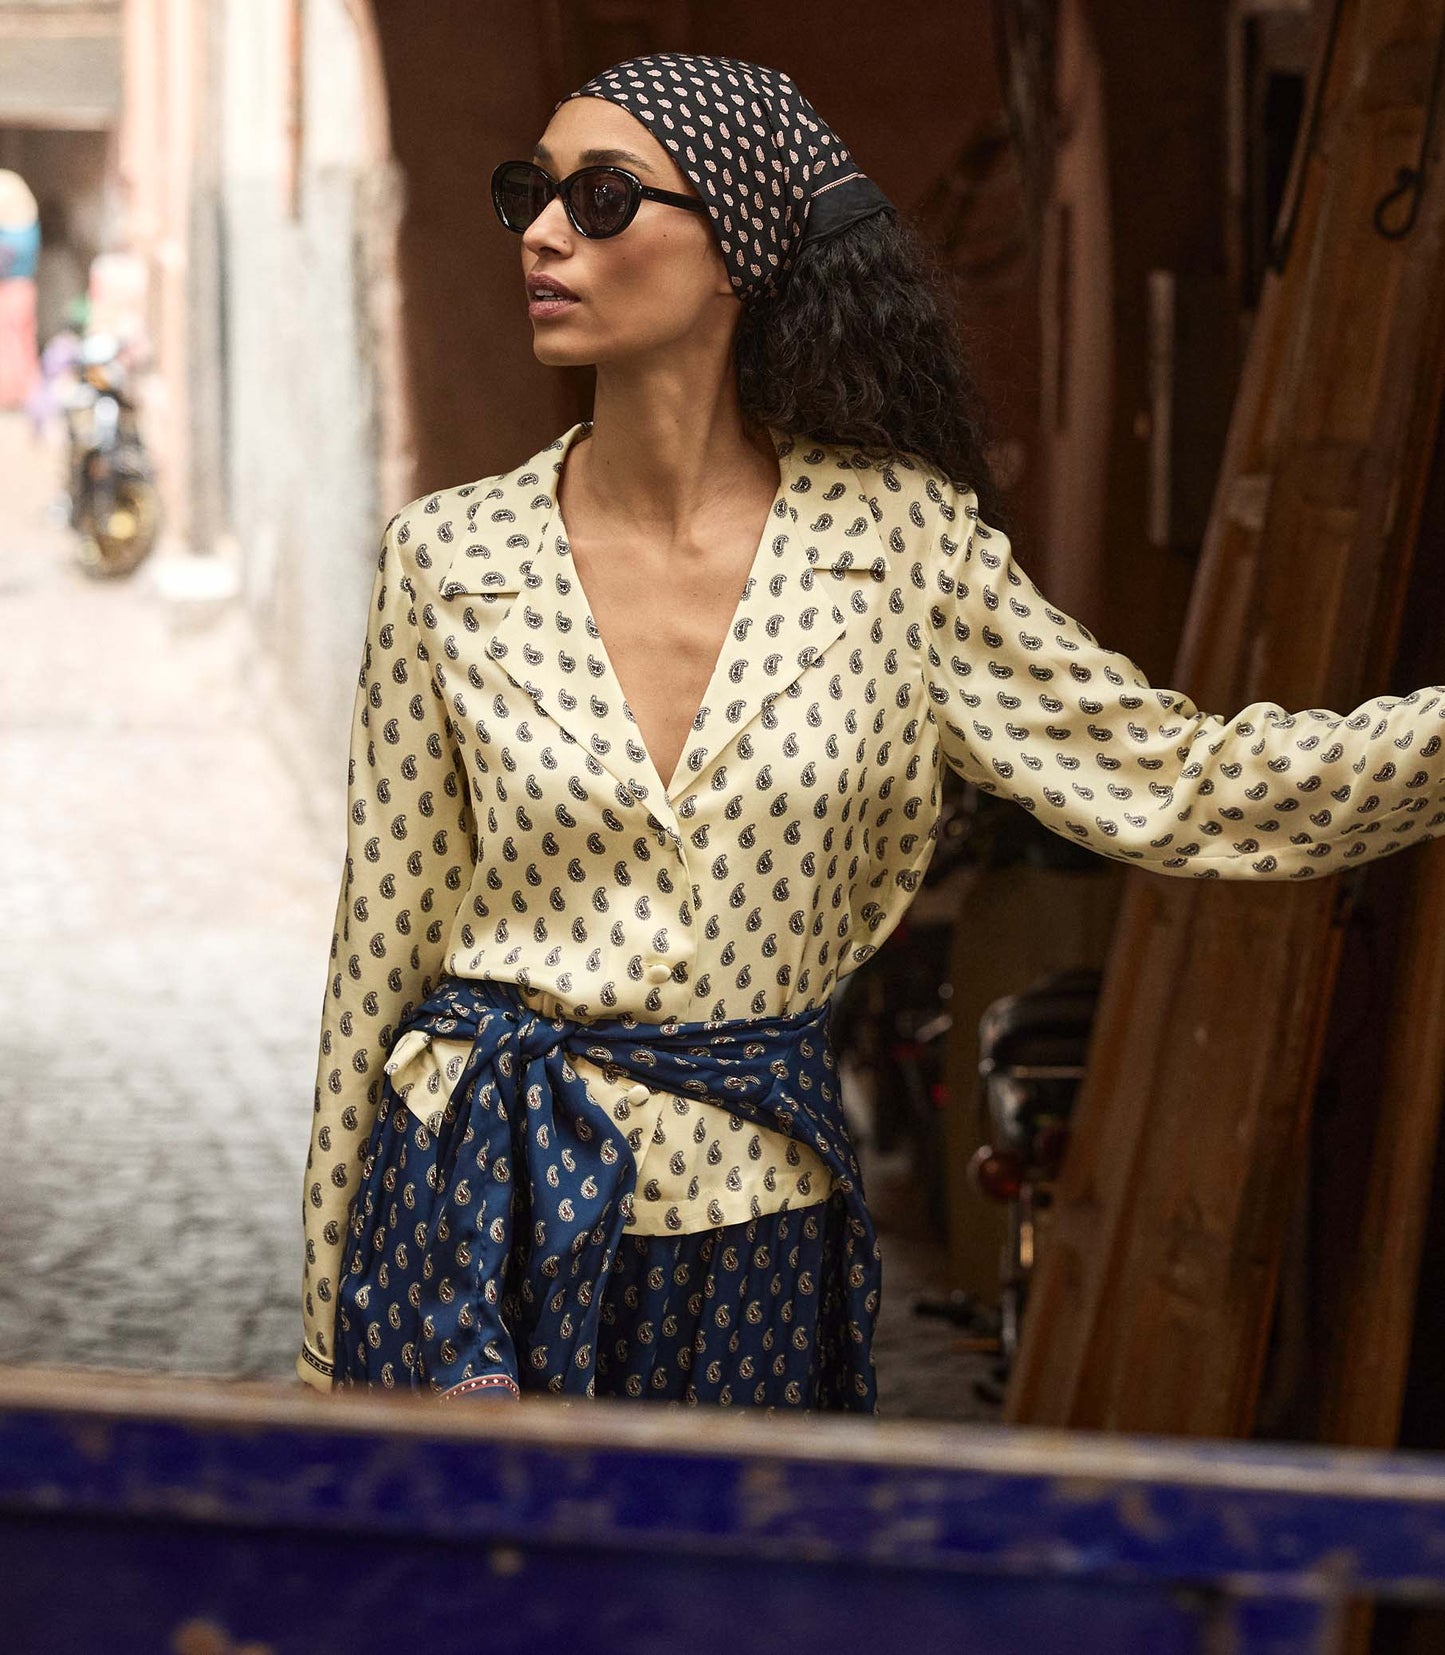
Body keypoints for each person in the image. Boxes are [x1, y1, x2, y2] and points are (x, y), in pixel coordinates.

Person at [297, 52, 1445, 1411]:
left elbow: (1178, 784)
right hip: (466, 1222)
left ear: (740, 243)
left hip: (749, 1234)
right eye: (526, 193)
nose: (543, 233)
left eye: (601, 199)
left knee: (728, 1616)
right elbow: (379, 950)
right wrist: (326, 1329)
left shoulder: (902, 552)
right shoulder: (446, 559)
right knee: (475, 1616)